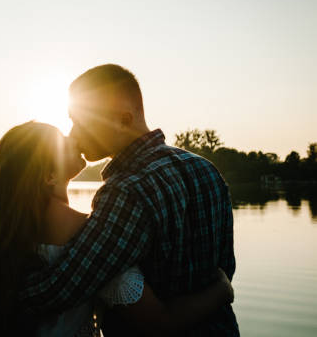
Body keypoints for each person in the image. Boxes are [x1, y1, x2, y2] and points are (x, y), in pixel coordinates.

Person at [0, 120, 234, 336]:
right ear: (49, 176)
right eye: (62, 140)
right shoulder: (95, 234)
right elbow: (159, 322)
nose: (72, 138)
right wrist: (221, 291)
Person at [18, 64, 239, 336]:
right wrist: (221, 292)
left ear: (123, 119)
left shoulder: (127, 191)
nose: (73, 133)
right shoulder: (208, 171)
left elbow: (63, 288)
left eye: (83, 122)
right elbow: (225, 268)